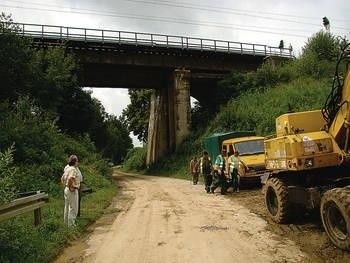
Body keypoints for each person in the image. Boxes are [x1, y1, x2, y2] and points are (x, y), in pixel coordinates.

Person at [61, 155, 80, 226]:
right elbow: (70, 178)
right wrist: (72, 187)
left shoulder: (67, 169)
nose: (78, 162)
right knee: (73, 209)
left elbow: (62, 179)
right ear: (75, 161)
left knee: (67, 207)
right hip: (72, 190)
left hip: (66, 190)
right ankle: (71, 226)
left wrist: (65, 186)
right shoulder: (73, 169)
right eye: (77, 161)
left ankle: (66, 224)